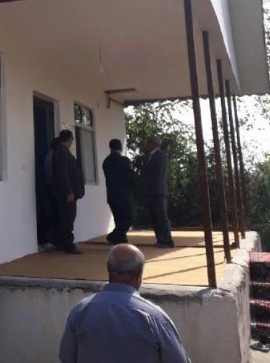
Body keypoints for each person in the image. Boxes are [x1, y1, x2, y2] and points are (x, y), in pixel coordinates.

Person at [59, 244, 190, 363]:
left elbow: (66, 357)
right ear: (139, 275)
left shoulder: (80, 311)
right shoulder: (154, 318)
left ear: (108, 268)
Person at [51, 130, 86, 254]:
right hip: (66, 193)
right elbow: (63, 174)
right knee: (68, 217)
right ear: (69, 139)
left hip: (66, 192)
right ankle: (68, 244)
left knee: (67, 217)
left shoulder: (62, 151)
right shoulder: (61, 152)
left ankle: (62, 242)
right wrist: (69, 191)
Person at [102, 138, 135, 244]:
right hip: (124, 195)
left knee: (118, 219)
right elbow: (129, 177)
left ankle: (121, 240)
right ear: (120, 147)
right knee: (128, 218)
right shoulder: (124, 161)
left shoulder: (106, 161)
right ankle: (113, 236)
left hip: (112, 195)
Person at [143, 137, 174, 248]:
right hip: (152, 191)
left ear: (154, 144)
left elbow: (159, 173)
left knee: (161, 216)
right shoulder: (151, 156)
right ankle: (160, 239)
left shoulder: (161, 155)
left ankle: (167, 240)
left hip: (158, 191)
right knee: (154, 217)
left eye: (149, 143)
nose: (147, 145)